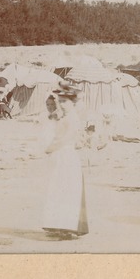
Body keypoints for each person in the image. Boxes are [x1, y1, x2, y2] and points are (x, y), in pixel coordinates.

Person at [40, 98, 89, 240]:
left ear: (72, 103)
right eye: (60, 102)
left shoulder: (73, 117)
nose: (62, 105)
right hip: (60, 155)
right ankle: (57, 225)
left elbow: (66, 138)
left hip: (67, 155)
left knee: (68, 190)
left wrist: (50, 148)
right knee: (58, 188)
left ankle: (68, 227)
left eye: (65, 102)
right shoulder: (64, 116)